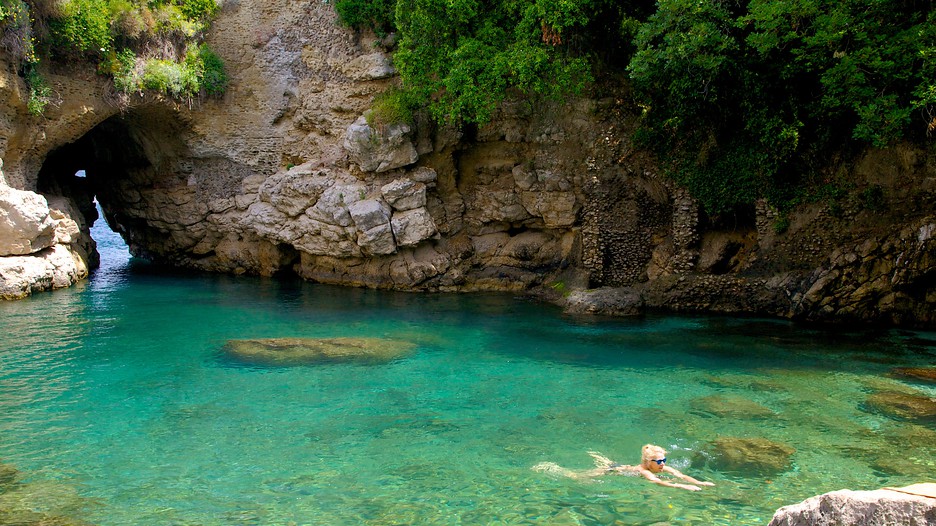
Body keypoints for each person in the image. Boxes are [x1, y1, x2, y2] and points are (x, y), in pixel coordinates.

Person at [533, 444, 715, 491]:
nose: (663, 464)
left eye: (664, 460)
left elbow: (681, 475)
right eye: (659, 462)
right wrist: (683, 487)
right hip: (614, 471)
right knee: (577, 476)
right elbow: (657, 483)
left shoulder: (662, 468)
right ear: (647, 462)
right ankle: (550, 467)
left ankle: (596, 454)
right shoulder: (645, 471)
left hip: (620, 467)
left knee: (606, 461)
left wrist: (700, 482)